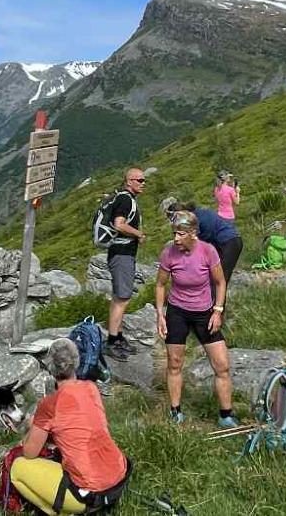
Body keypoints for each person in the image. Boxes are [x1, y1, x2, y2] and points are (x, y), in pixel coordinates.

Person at [10, 338, 130, 515]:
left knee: (17, 467)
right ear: (76, 362)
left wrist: (32, 425)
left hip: (88, 493)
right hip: (118, 477)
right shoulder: (91, 388)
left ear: (50, 369)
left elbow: (29, 452)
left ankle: (62, 512)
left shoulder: (49, 404)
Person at [154, 209, 237, 427]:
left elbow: (220, 282)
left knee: (222, 365)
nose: (176, 239)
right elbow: (161, 284)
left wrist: (218, 310)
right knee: (174, 362)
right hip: (177, 312)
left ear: (193, 233)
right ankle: (175, 412)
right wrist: (160, 315)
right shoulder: (169, 253)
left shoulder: (208, 251)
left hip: (204, 313)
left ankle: (226, 415)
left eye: (181, 234)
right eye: (174, 233)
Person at [103, 168, 147, 360]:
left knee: (119, 297)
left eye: (144, 180)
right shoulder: (126, 199)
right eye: (140, 180)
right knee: (123, 298)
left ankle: (118, 337)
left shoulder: (125, 198)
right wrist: (138, 234)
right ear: (129, 181)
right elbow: (119, 224)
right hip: (122, 255)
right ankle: (112, 342)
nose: (143, 183)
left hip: (120, 254)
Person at [163, 198, 244, 292]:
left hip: (229, 242)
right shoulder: (198, 214)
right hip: (230, 241)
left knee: (218, 279)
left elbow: (200, 242)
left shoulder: (197, 219)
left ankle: (216, 305)